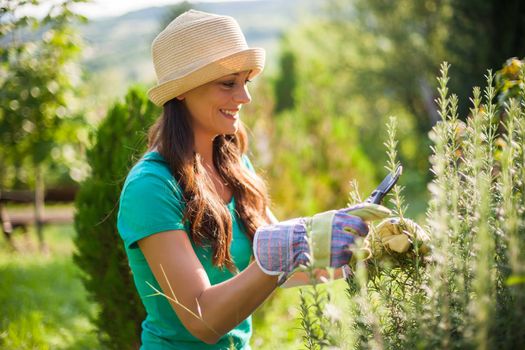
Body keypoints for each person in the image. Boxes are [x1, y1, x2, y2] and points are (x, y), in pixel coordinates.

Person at [117, 10, 392, 349]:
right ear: (182, 92)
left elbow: (289, 266)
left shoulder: (233, 164)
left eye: (245, 82)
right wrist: (291, 246)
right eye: (228, 83)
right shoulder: (151, 187)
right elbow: (203, 319)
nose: (245, 98)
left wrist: (367, 249)